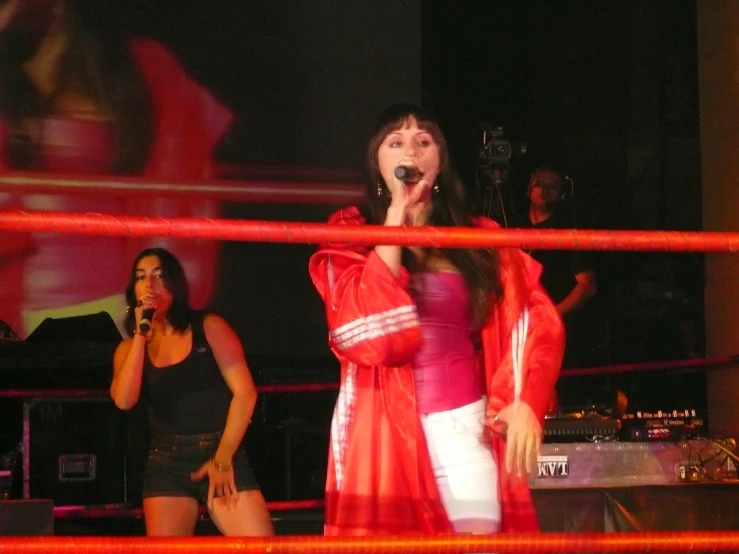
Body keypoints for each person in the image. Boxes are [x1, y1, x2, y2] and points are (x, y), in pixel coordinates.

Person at [309, 103, 565, 535]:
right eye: (396, 142)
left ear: (440, 161)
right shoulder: (349, 239)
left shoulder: (478, 238)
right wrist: (395, 215)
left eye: (423, 142)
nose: (410, 151)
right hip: (384, 434)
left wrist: (525, 398)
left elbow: (536, 317)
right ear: (378, 163)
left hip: (465, 428)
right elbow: (367, 335)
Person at [0, 0, 231, 338]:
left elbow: (182, 174)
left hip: (113, 306)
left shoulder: (136, 69)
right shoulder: (7, 80)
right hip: (18, 315)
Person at [110, 247, 274, 537]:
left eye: (159, 276)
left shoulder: (209, 327)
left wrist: (223, 458)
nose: (149, 285)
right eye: (141, 277)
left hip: (221, 450)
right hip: (166, 460)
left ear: (175, 285)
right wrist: (139, 336)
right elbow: (124, 400)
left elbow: (245, 393)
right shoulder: (129, 348)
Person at [511, 164, 598, 368]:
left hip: (555, 331)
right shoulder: (514, 225)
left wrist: (552, 316)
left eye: (553, 187)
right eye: (540, 184)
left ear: (561, 194)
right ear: (529, 188)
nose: (545, 191)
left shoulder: (567, 232)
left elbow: (587, 286)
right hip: (518, 326)